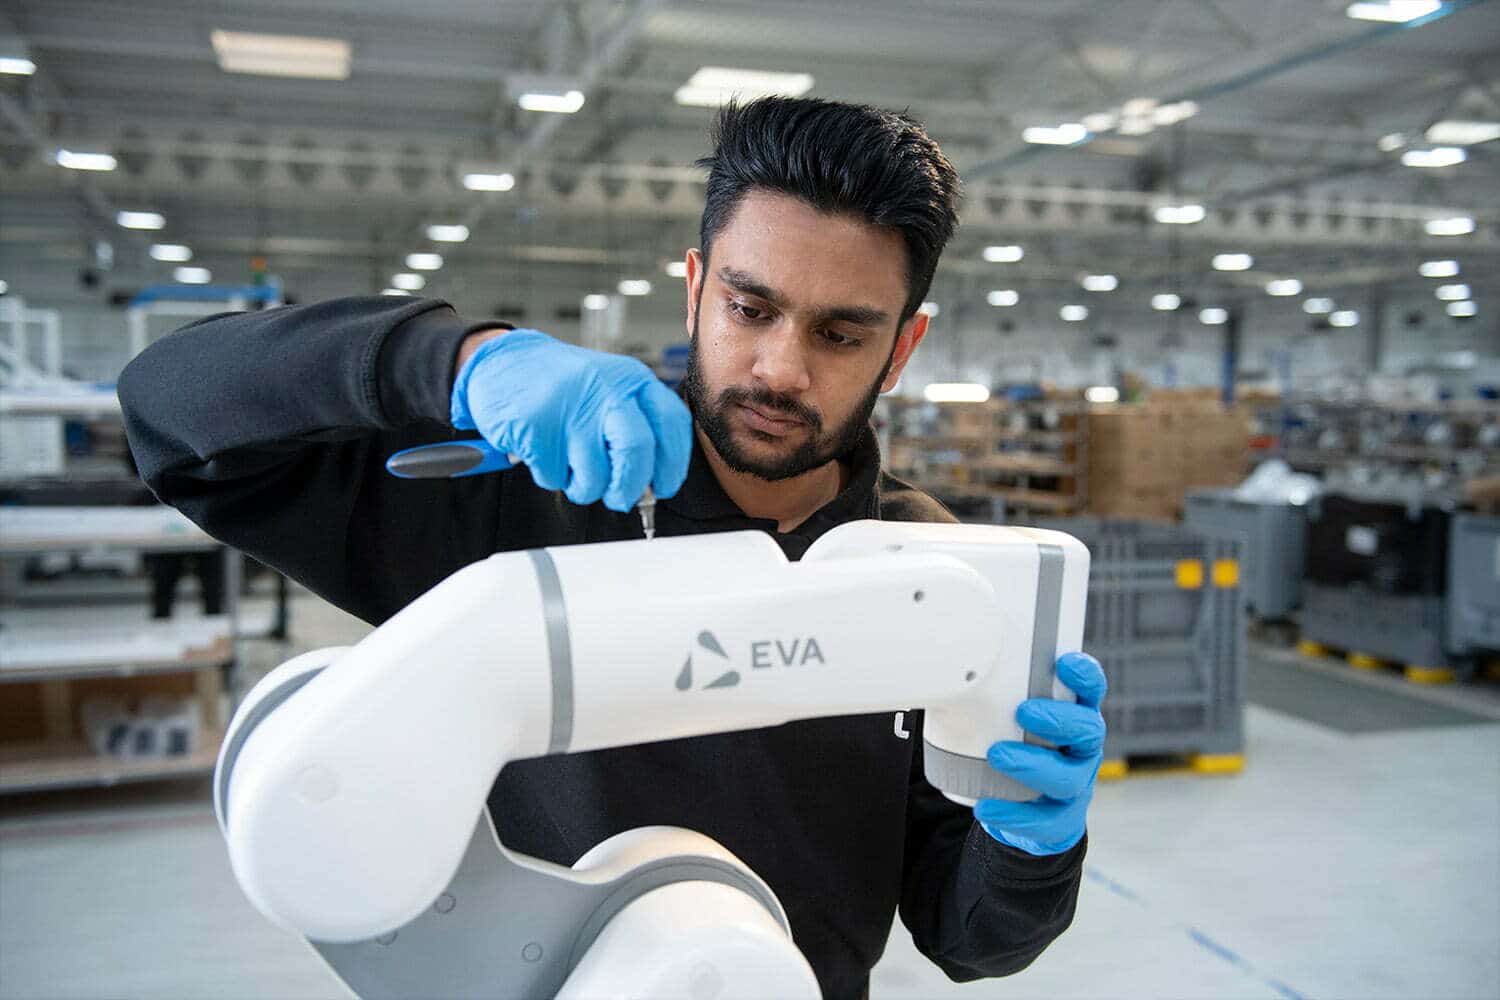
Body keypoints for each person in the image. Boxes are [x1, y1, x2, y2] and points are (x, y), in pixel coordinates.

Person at [119, 97, 1107, 999]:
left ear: (903, 348)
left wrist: (1025, 839)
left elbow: (969, 937)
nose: (779, 368)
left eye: (842, 334)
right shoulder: (518, 503)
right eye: (749, 308)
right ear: (695, 288)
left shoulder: (935, 577)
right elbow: (171, 417)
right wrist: (460, 362)